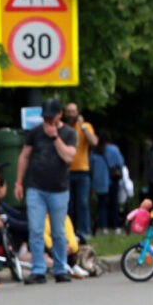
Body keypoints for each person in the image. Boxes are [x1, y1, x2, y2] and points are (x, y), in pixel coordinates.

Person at [14, 98, 77, 284]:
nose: (48, 121)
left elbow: (69, 157)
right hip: (36, 187)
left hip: (59, 189)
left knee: (58, 231)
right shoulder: (34, 133)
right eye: (45, 118)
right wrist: (18, 182)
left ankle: (60, 268)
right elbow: (24, 156)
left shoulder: (69, 133)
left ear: (60, 115)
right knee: (35, 229)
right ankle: (38, 270)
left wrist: (55, 137)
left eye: (51, 117)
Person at [62, 102, 98, 239]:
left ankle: (84, 231)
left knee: (82, 202)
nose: (71, 114)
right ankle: (69, 232)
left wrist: (82, 127)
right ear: (65, 114)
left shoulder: (86, 126)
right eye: (69, 111)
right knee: (68, 203)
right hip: (66, 171)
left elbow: (94, 142)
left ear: (78, 112)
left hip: (82, 171)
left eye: (73, 111)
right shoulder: (63, 128)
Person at [90, 129, 125, 233]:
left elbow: (90, 166)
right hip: (113, 179)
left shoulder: (95, 151)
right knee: (114, 203)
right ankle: (115, 226)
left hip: (99, 181)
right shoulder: (114, 149)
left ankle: (104, 226)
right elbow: (120, 163)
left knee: (102, 204)